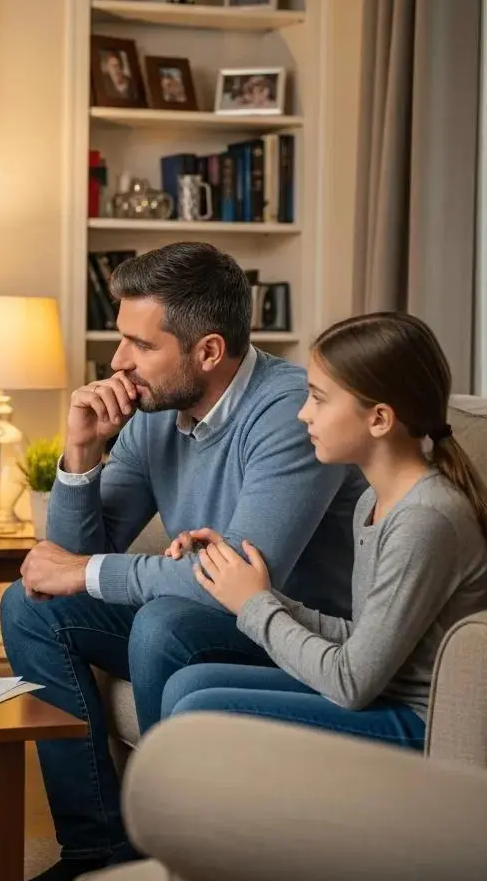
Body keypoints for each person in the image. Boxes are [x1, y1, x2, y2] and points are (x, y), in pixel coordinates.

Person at [0, 242, 366, 881]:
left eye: (140, 345)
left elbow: (237, 580)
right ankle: (94, 852)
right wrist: (81, 453)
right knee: (30, 607)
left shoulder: (289, 414)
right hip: (200, 611)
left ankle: (163, 858)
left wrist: (88, 571)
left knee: (164, 621)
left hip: (293, 630)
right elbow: (68, 565)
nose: (117, 363)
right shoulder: (156, 415)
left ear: (207, 351)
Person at [160, 313, 487, 748]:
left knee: (198, 711)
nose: (302, 413)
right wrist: (243, 585)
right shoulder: (372, 502)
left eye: (318, 398)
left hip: (419, 723)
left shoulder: (425, 518)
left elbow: (351, 682)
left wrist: (255, 605)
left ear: (379, 419)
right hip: (381, 697)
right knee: (189, 686)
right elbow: (362, 637)